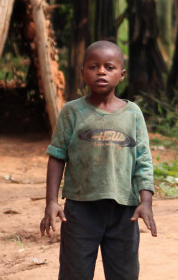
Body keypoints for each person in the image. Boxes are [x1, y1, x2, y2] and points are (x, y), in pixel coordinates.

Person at [40, 40, 157, 280]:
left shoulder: (133, 113)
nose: (101, 71)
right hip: (80, 210)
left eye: (109, 67)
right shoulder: (72, 112)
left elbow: (143, 160)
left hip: (124, 211)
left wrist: (146, 202)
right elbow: (57, 156)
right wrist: (51, 202)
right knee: (75, 273)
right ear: (82, 72)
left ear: (121, 74)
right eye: (93, 66)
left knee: (124, 274)